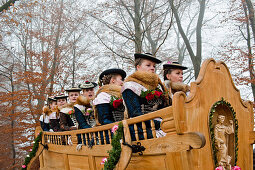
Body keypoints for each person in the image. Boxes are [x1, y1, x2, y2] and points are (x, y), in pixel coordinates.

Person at [121, 53, 170, 140]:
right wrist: (161, 124)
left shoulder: (159, 87)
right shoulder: (130, 86)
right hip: (140, 128)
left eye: (154, 66)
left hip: (161, 125)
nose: (152, 68)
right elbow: (136, 114)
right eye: (148, 65)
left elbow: (164, 109)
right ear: (138, 67)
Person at [93, 68, 126, 144]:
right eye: (121, 79)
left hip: (124, 128)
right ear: (113, 80)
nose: (122, 82)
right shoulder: (103, 95)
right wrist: (121, 127)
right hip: (109, 134)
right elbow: (104, 120)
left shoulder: (121, 94)